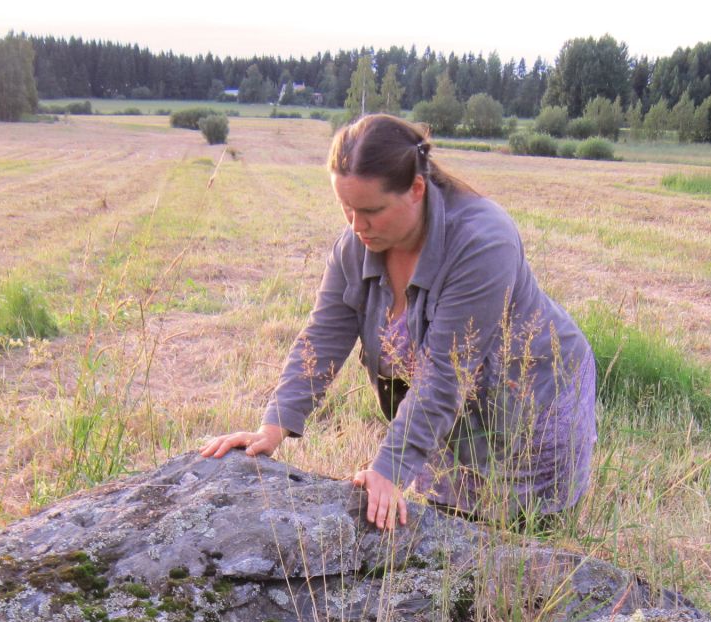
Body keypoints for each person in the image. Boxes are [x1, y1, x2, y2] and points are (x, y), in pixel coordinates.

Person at [200, 113, 597, 533]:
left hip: (532, 404)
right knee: (451, 543)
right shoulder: (354, 247)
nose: (357, 226)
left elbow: (446, 372)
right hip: (452, 418)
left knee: (526, 551)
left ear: (416, 190)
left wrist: (388, 468)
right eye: (346, 207)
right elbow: (323, 336)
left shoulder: (483, 241)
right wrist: (274, 425)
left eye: (371, 210)